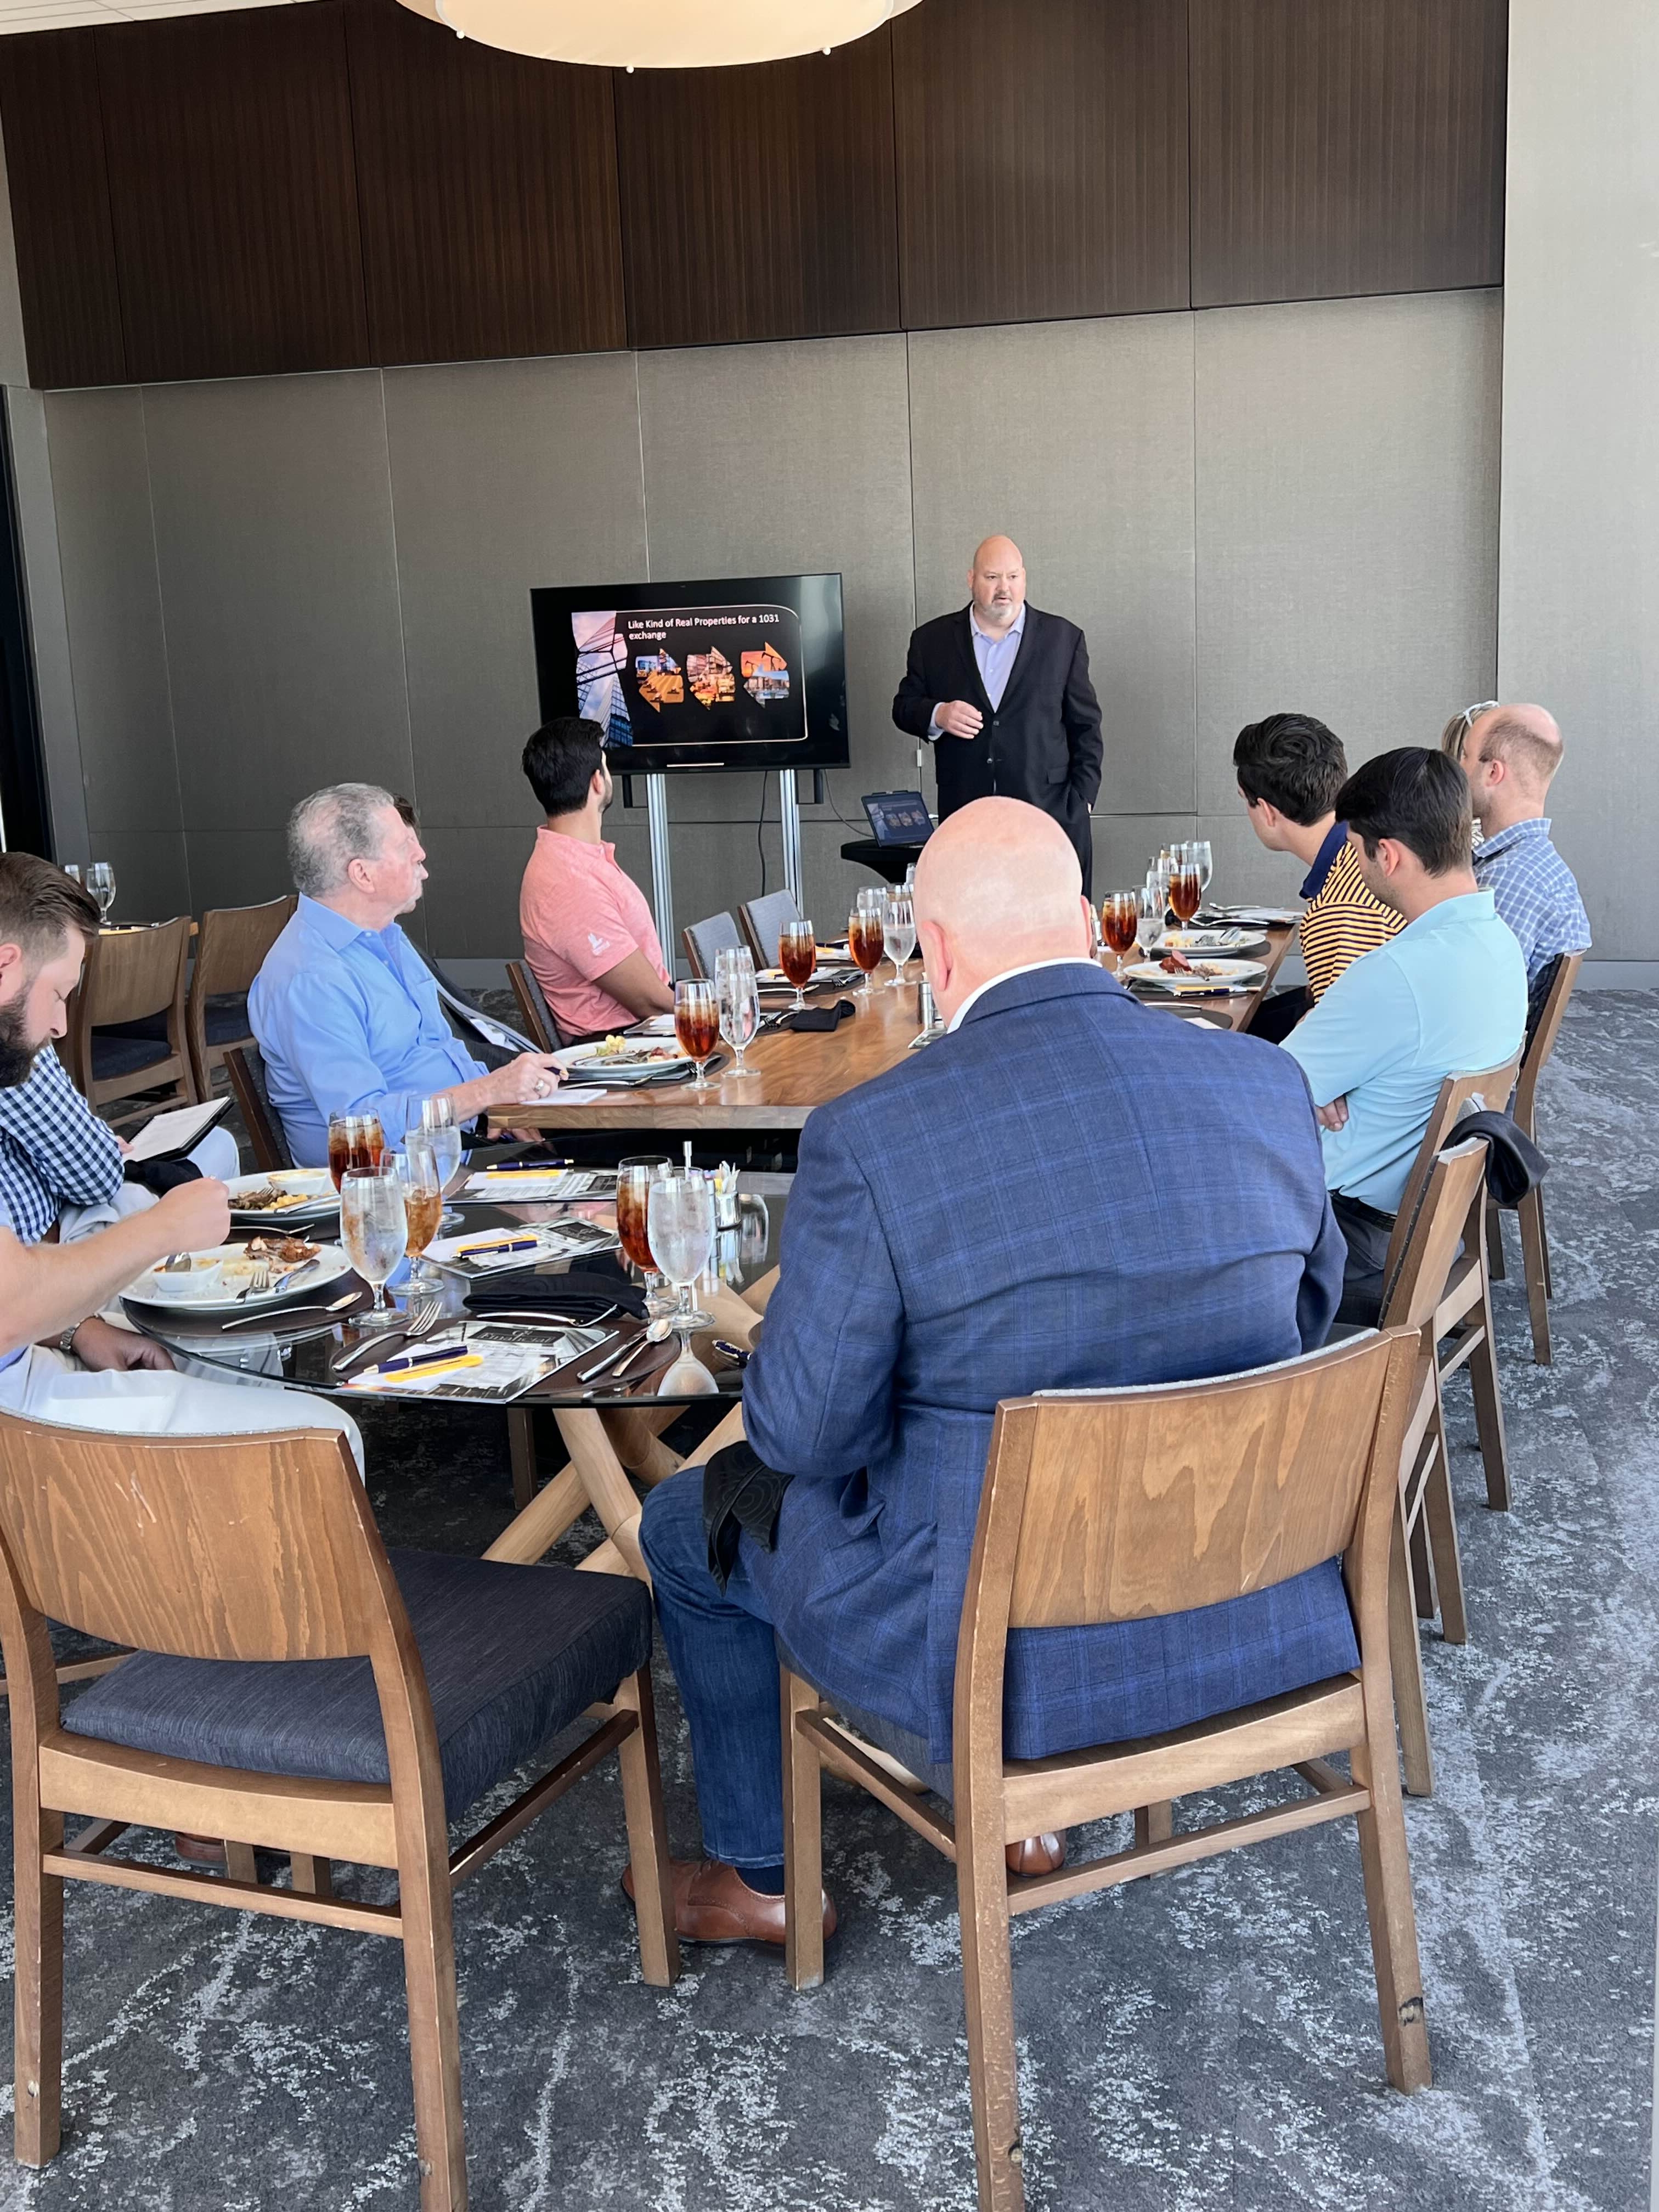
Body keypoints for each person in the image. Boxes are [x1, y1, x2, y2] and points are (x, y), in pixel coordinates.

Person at [634, 797, 1348, 1945]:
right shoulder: (1263, 1085)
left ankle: (764, 1879)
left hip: (995, 1653)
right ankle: (1023, 1825)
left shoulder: (872, 1137)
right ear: (1083, 920)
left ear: (938, 949)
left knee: (687, 1518)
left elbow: (803, 1442)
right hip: (1252, 1595)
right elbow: (1308, 1318)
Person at [0, 854, 360, 1461]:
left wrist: (73, 1329)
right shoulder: (17, 1055)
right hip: (18, 1412)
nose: (62, 1025)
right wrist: (161, 1228)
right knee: (322, 1444)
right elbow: (13, 1299)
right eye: (59, 994)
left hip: (28, 1349)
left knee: (235, 1367)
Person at [1283, 748, 1528, 1321]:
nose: (1353, 866)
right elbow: (1296, 1073)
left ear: (1387, 855)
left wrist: (1305, 1074)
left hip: (1348, 1242)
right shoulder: (1500, 944)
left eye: (1354, 851)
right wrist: (1310, 1071)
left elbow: (1264, 1089)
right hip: (1426, 1230)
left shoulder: (1396, 975)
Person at [250, 783, 563, 1165]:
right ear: (363, 875)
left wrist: (495, 1108)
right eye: (404, 847)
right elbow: (361, 1127)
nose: (421, 854)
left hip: (457, 1146)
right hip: (395, 1188)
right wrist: (486, 1093)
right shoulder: (311, 978)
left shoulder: (386, 938)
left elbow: (437, 1052)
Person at [893, 535, 1104, 895]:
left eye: (1012, 577)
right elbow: (904, 707)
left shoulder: (1063, 639)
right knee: (972, 933)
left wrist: (1082, 799)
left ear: (1024, 579)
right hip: (966, 822)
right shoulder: (932, 641)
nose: (1003, 588)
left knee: (1054, 934)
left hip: (1050, 818)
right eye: (992, 578)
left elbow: (1086, 727)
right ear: (971, 579)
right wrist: (939, 714)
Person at [1234, 712, 1403, 1040]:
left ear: (1268, 812)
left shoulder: (1341, 908)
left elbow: (1341, 1047)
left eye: (1247, 803)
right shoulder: (1369, 852)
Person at [518, 718, 674, 1042]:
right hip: (625, 1049)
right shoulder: (569, 884)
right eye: (606, 764)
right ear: (597, 782)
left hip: (643, 1034)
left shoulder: (575, 859)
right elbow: (648, 1003)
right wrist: (720, 1008)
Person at [0, 1040, 240, 1249]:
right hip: (56, 1249)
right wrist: (99, 1142)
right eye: (58, 997)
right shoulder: (17, 1037)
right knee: (219, 1146)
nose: (61, 1028)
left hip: (52, 1223)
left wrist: (95, 1141)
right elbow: (97, 1180)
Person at [1460, 703, 1591, 1011]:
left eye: (1466, 756)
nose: (1459, 768)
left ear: (1493, 772)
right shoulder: (1539, 866)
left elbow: (1474, 1008)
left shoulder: (1508, 880)